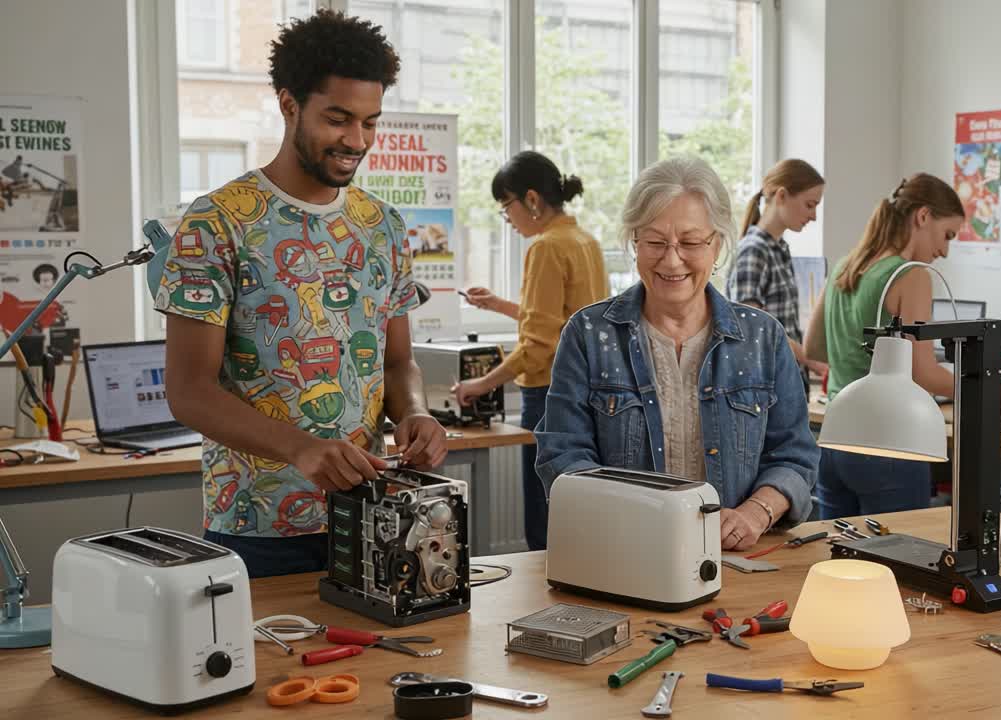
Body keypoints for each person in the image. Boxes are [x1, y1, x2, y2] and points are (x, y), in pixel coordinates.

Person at [157, 10, 448, 577]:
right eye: (338, 119)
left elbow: (397, 360)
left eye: (369, 122)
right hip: (259, 525)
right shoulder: (217, 223)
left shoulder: (383, 224)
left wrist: (413, 411)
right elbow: (188, 391)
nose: (357, 141)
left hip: (374, 511)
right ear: (289, 104)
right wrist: (300, 447)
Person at [536, 156, 819, 551]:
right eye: (654, 242)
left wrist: (756, 512)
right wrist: (643, 518)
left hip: (734, 560)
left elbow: (796, 456)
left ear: (717, 243)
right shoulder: (588, 334)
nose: (671, 260)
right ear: (634, 242)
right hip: (623, 555)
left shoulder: (762, 337)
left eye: (689, 242)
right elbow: (563, 455)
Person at [805, 173, 1001, 520]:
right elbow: (925, 374)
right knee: (895, 562)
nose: (944, 251)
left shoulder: (846, 265)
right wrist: (994, 389)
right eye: (947, 235)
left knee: (841, 557)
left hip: (835, 440)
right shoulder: (911, 275)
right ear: (922, 216)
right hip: (887, 445)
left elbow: (815, 348)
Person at [454, 151, 607, 551]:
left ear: (532, 200)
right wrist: (499, 306)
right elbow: (564, 322)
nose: (508, 218)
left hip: (548, 397)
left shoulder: (545, 248)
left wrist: (481, 384)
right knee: (577, 514)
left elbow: (539, 347)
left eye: (507, 206)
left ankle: (542, 609)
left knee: (543, 522)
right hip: (588, 395)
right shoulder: (585, 242)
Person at [726, 158, 826, 376]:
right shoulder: (755, 250)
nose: (814, 216)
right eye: (810, 205)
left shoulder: (779, 249)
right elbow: (752, 327)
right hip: (765, 382)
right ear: (781, 196)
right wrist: (809, 359)